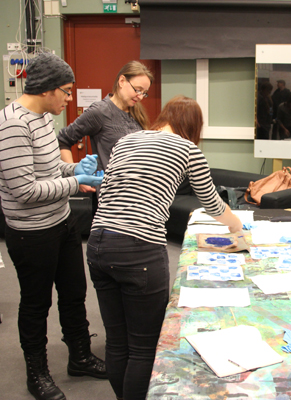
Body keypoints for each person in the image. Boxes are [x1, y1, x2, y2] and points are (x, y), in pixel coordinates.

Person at [86, 95, 243, 400]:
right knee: (143, 347)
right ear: (194, 126)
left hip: (98, 244)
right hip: (140, 248)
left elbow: (107, 189)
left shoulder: (126, 141)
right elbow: (211, 202)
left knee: (117, 342)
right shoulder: (188, 149)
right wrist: (236, 225)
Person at [0, 52, 106, 400]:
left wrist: (73, 169)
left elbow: (48, 171)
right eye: (66, 91)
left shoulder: (44, 118)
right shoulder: (12, 125)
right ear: (47, 89)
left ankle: (80, 357)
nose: (69, 98)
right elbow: (25, 191)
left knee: (74, 293)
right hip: (31, 232)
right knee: (36, 304)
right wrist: (76, 183)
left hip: (61, 222)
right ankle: (37, 374)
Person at [57, 60, 153, 194]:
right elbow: (63, 141)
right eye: (137, 90)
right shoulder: (100, 112)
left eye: (144, 93)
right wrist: (77, 178)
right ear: (122, 81)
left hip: (137, 191)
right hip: (111, 195)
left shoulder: (137, 113)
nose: (140, 96)